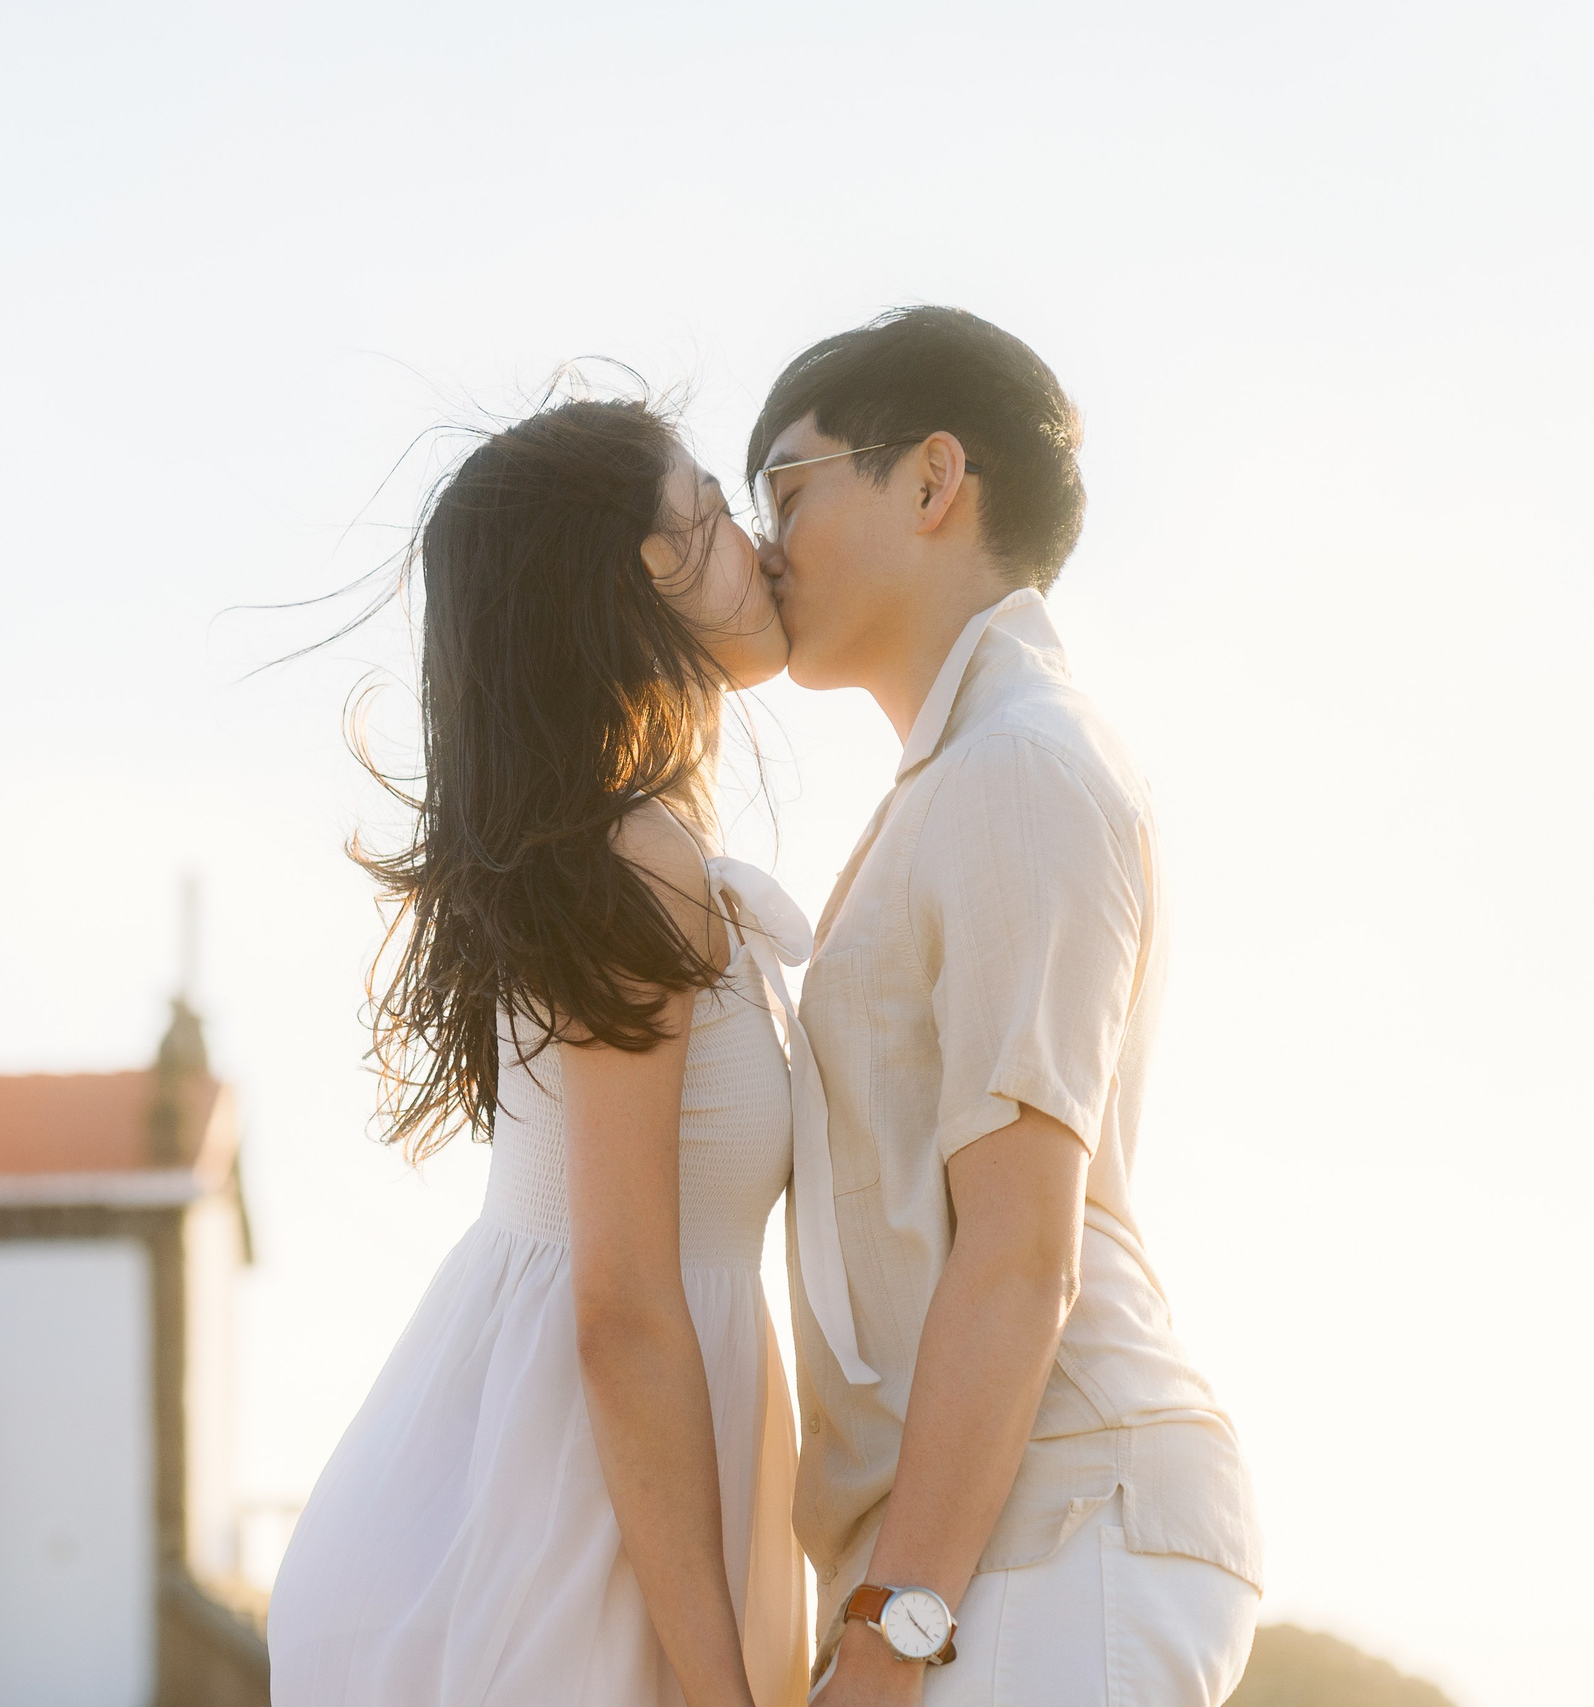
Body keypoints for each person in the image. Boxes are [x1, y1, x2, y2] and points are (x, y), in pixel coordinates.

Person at [267, 397, 825, 1707]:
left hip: (579, 1490)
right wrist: (716, 1690)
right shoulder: (640, 865)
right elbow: (622, 1305)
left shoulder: (626, 855)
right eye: (710, 514)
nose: (756, 542)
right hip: (571, 1518)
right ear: (641, 580)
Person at [743, 307, 1263, 1705]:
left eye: (787, 489)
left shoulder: (1021, 764)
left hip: (1059, 1523)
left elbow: (1024, 1249)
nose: (763, 543)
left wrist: (890, 1630)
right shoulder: (958, 776)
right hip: (995, 1541)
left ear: (930, 480)